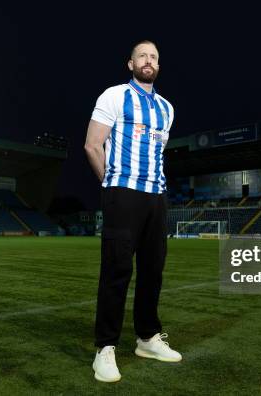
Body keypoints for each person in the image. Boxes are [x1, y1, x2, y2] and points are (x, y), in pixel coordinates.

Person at [84, 40, 181, 383]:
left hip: (157, 196)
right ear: (130, 63)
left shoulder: (167, 109)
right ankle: (105, 348)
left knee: (153, 271)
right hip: (122, 193)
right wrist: (111, 184)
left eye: (154, 56)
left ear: (158, 65)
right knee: (117, 271)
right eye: (142, 55)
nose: (148, 60)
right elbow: (93, 145)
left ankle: (148, 338)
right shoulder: (113, 96)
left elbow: (157, 152)